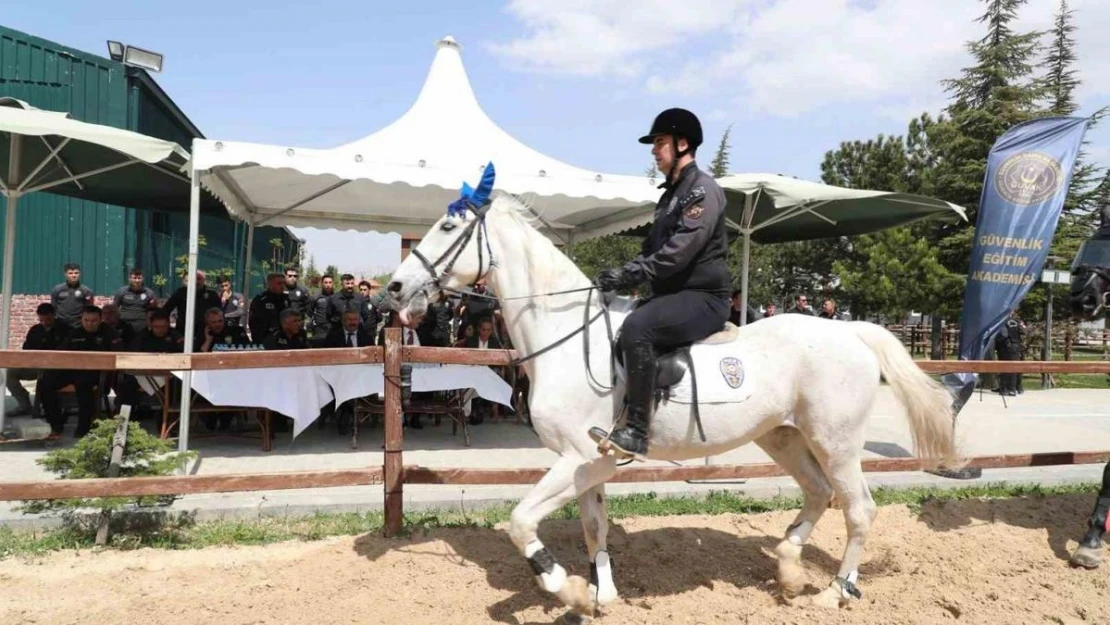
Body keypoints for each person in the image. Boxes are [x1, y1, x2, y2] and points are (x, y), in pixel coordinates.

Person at [590, 108, 730, 459]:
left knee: (638, 328)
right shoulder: (670, 197)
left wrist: (633, 275)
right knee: (616, 323)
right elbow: (652, 250)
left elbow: (679, 252)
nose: (654, 150)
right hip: (673, 294)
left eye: (660, 142)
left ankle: (637, 432)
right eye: (654, 144)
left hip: (703, 297)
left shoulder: (702, 190)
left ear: (683, 144)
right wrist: (622, 274)